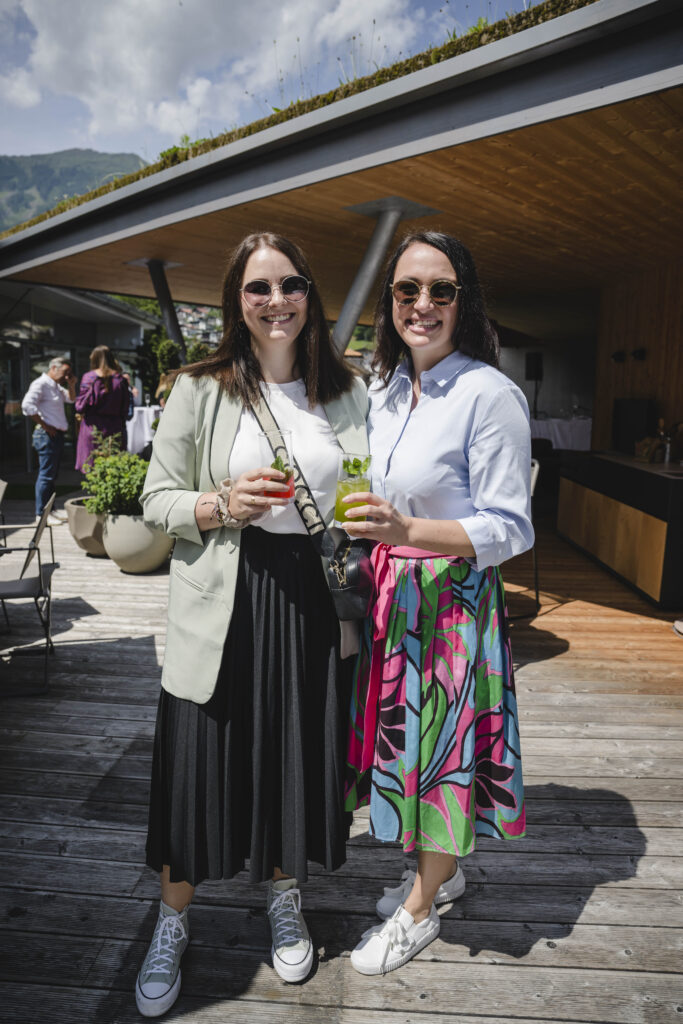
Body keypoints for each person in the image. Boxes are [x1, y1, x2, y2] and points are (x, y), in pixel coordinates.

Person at [136, 232, 368, 1017]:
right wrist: (219, 504)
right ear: (236, 298)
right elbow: (156, 500)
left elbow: (364, 490)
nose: (277, 301)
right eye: (258, 287)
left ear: (311, 295)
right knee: (199, 757)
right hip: (222, 594)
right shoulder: (200, 388)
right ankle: (171, 920)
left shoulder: (342, 391)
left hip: (307, 599)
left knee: (289, 753)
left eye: (291, 284)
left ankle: (283, 895)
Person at [342, 231, 533, 976]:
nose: (421, 304)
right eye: (405, 290)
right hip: (396, 599)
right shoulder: (386, 388)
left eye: (439, 290)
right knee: (408, 749)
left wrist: (409, 528)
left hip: (451, 604)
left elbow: (510, 525)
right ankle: (439, 873)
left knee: (443, 757)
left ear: (463, 300)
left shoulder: (489, 392)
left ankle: (419, 911)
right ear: (388, 303)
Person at [21, 355, 77, 522]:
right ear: (53, 368)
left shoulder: (56, 386)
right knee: (46, 475)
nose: (67, 376)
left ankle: (50, 510)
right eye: (65, 372)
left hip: (56, 435)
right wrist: (45, 425)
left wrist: (72, 384)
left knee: (52, 475)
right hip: (46, 435)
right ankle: (41, 514)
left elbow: (71, 399)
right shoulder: (41, 384)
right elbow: (26, 406)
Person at [74, 345, 130, 471]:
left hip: (92, 428)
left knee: (92, 468)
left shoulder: (89, 377)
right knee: (114, 468)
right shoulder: (120, 380)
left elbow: (80, 406)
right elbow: (125, 408)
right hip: (114, 427)